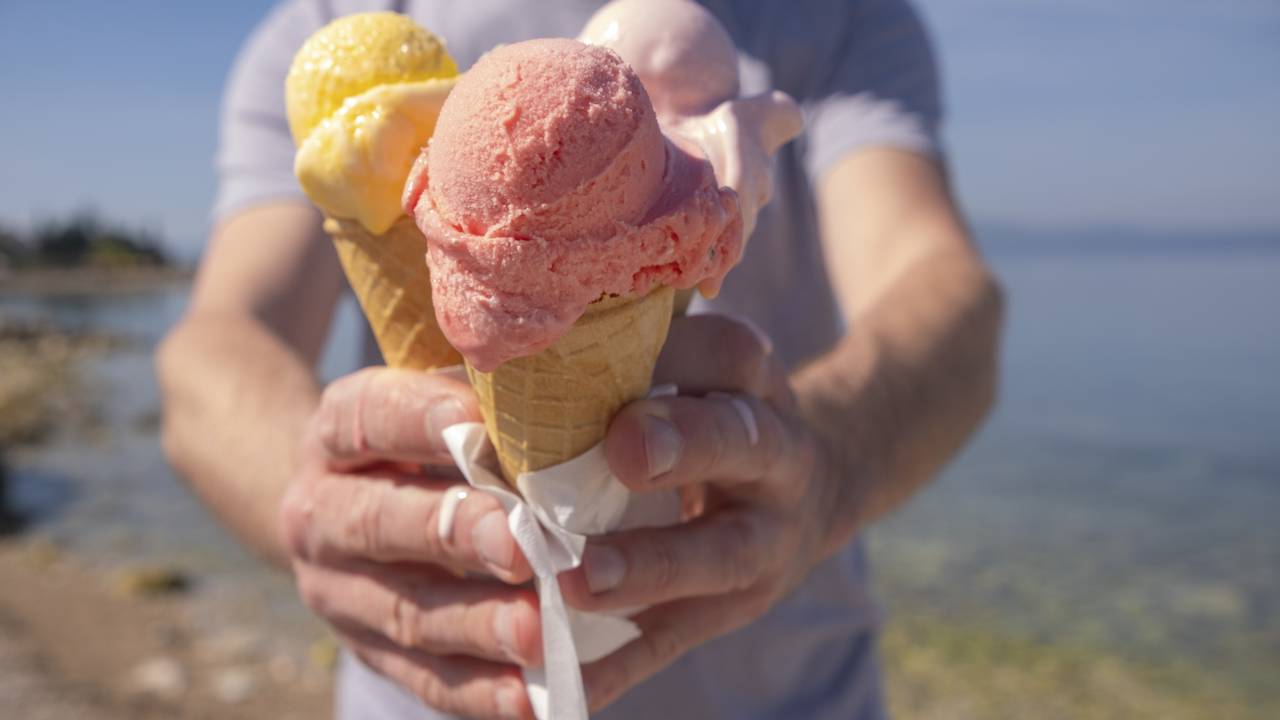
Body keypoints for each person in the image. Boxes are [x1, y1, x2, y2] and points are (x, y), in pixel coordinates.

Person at [157, 0, 1003, 718]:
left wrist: (827, 466)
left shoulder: (839, 15)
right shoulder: (338, 25)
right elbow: (220, 340)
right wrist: (310, 503)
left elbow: (940, 284)